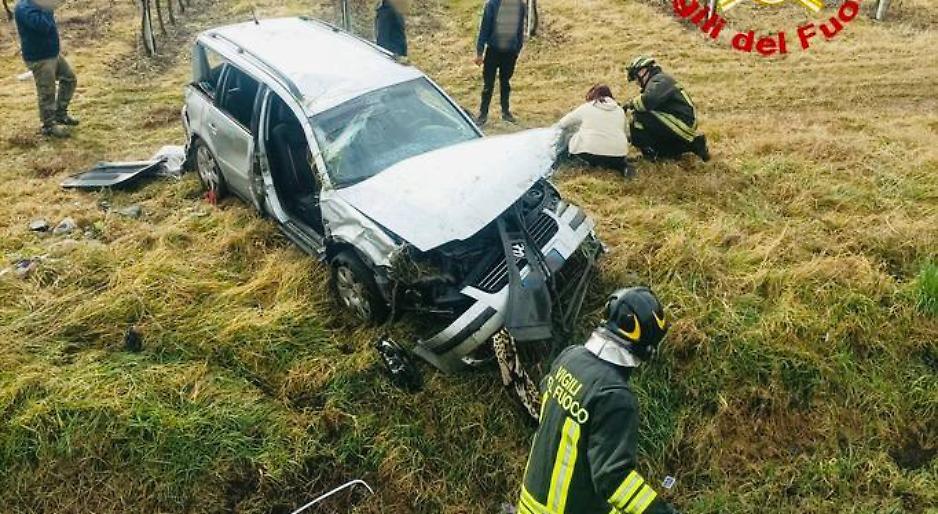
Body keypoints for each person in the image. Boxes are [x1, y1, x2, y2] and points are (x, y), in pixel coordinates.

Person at [517, 287, 681, 514]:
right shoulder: (614, 397)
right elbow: (614, 479)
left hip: (530, 503)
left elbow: (549, 398)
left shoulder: (570, 356)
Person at [623, 56, 709, 162]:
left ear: (642, 71)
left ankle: (652, 152)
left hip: (683, 122)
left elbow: (648, 101)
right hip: (677, 121)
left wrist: (629, 105)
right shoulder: (657, 81)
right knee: (663, 152)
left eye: (636, 78)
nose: (637, 82)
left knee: (639, 115)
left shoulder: (660, 80)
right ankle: (690, 146)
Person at [14, 0, 78, 138]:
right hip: (40, 58)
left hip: (52, 53)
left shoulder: (38, 4)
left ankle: (60, 114)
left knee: (69, 79)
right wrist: (48, 7)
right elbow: (43, 26)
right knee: (47, 92)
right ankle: (48, 126)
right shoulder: (24, 8)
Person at [556, 84, 632, 177]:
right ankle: (621, 167)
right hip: (618, 155)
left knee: (567, 135)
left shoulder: (587, 107)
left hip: (590, 154)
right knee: (613, 156)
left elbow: (563, 123)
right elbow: (626, 132)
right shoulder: (619, 110)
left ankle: (560, 163)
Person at [474, 0, 526, 125]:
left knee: (505, 83)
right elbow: (484, 28)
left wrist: (517, 49)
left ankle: (505, 112)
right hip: (493, 50)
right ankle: (483, 114)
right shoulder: (492, 5)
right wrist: (480, 52)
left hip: (510, 52)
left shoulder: (520, 6)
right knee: (488, 85)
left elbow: (520, 29)